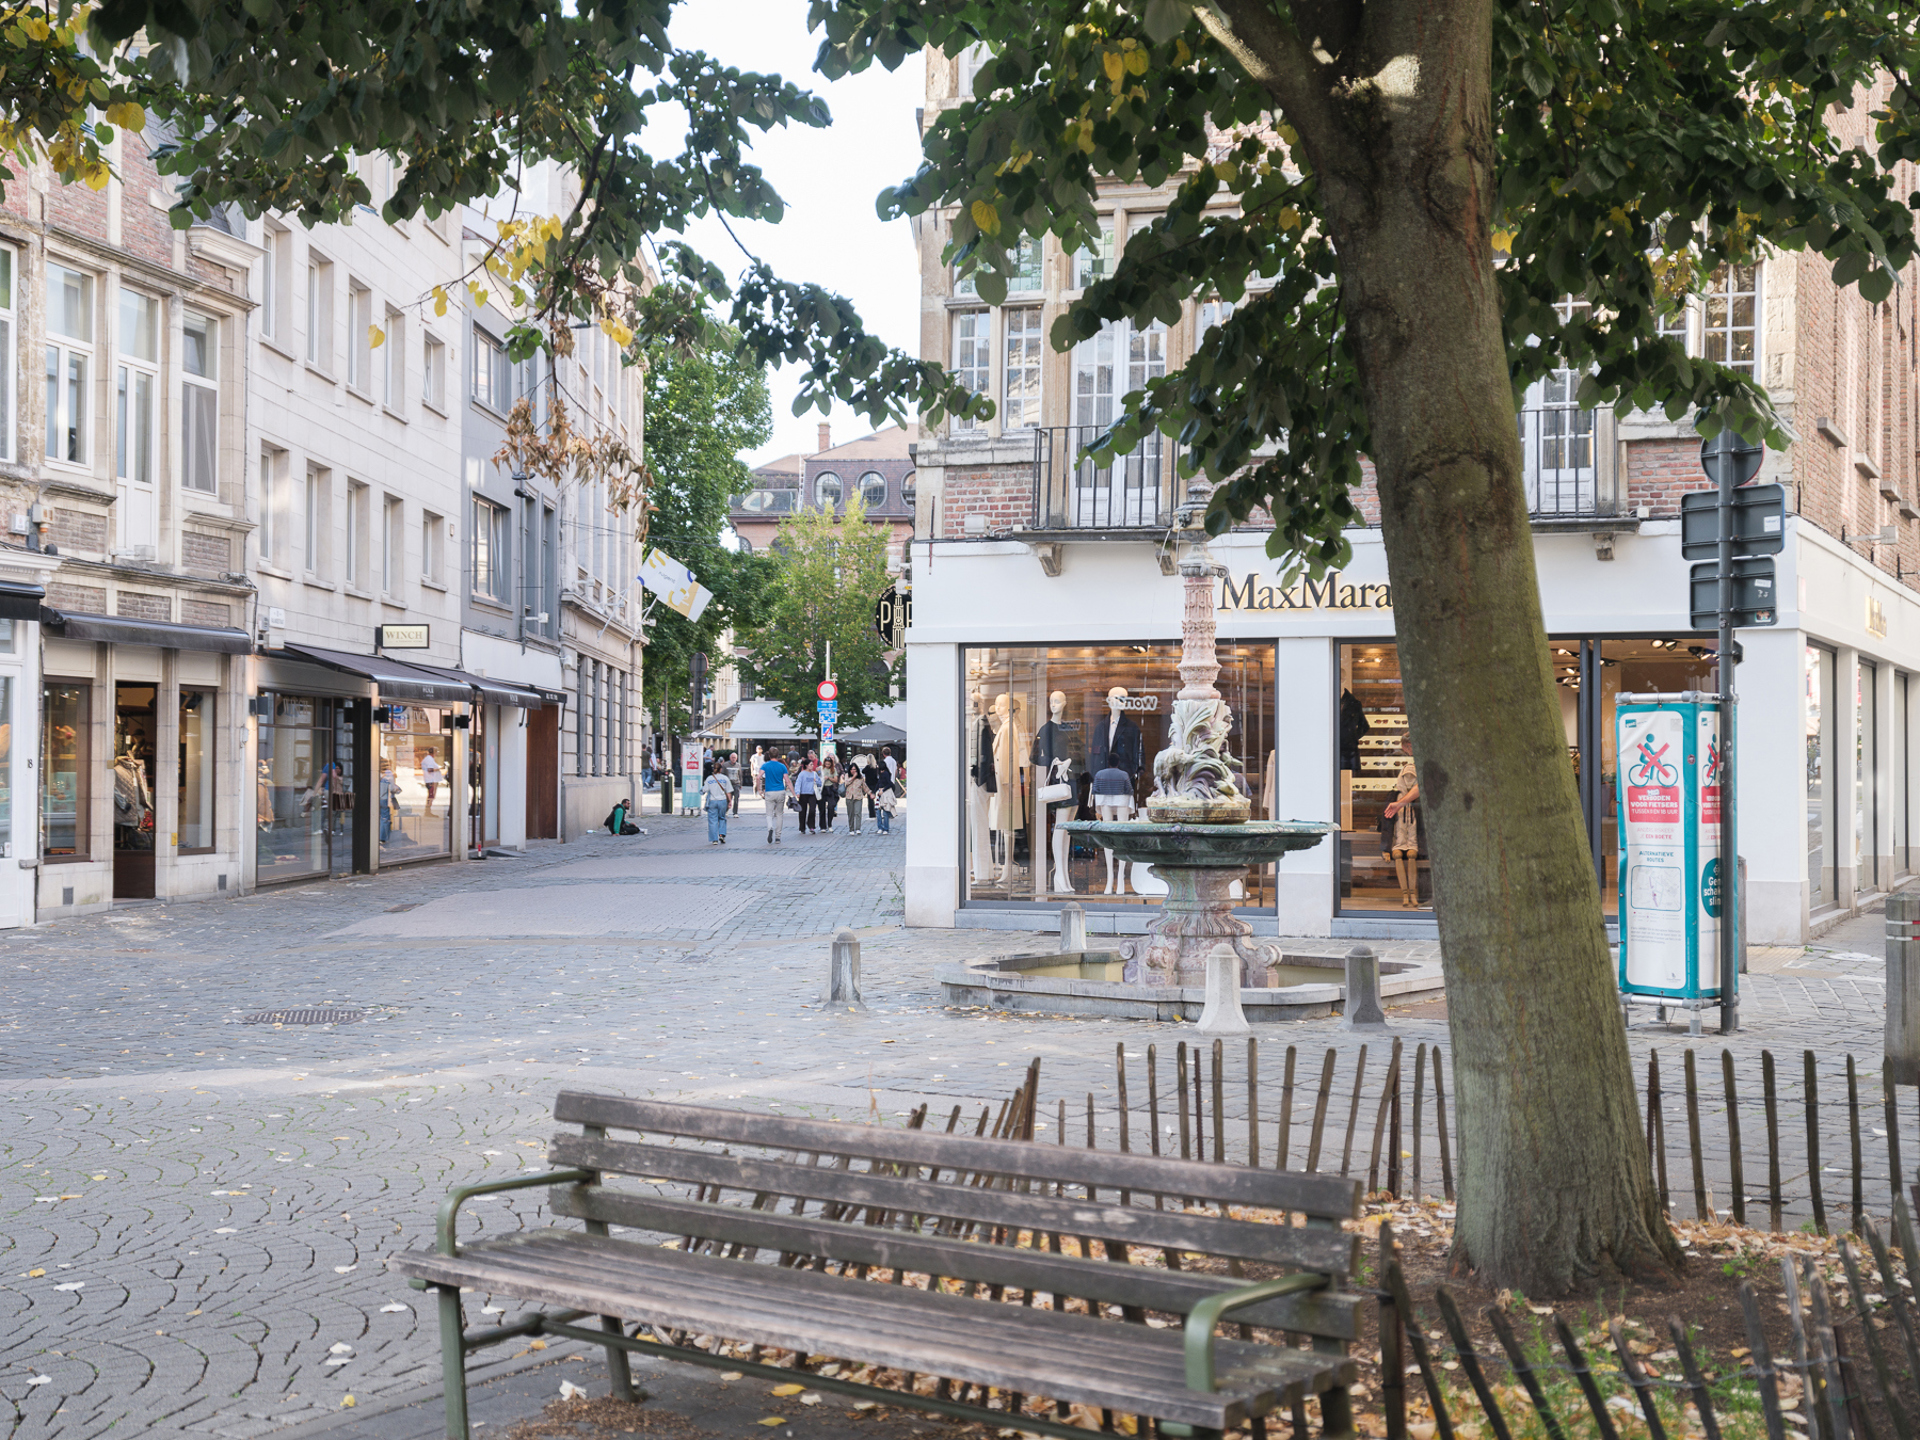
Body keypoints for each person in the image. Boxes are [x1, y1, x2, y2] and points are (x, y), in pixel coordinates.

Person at [1381, 734, 1423, 908]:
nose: (1409, 782)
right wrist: (1385, 848)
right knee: (1398, 854)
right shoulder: (1395, 799)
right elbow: (1387, 825)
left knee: (1412, 854)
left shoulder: (1415, 803)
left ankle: (1412, 894)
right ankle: (1405, 894)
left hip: (1413, 840)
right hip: (1400, 839)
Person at [761, 750, 790, 844]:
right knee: (779, 814)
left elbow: (758, 777)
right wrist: (793, 792)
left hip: (769, 791)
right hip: (780, 791)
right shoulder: (782, 766)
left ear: (769, 755)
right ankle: (778, 837)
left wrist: (759, 790)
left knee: (769, 814)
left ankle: (770, 827)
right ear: (778, 755)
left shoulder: (765, 765)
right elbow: (787, 780)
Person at [703, 762, 734, 845]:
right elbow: (728, 791)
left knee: (712, 820)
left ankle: (714, 839)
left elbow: (704, 790)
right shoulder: (725, 778)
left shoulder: (709, 779)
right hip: (723, 801)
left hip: (712, 801)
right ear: (721, 769)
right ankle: (721, 835)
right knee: (722, 818)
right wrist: (730, 801)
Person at [795, 758, 822, 834]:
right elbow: (798, 783)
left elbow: (820, 783)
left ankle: (811, 826)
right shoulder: (802, 774)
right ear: (806, 765)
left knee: (812, 810)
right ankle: (802, 827)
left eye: (812, 764)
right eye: (811, 764)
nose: (812, 766)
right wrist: (798, 792)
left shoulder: (814, 773)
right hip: (803, 794)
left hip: (812, 794)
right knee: (802, 811)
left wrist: (816, 781)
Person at [843, 766, 869, 834]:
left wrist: (870, 793)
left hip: (858, 797)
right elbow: (846, 783)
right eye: (851, 769)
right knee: (850, 814)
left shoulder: (860, 778)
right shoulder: (847, 776)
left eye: (854, 769)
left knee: (858, 813)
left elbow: (864, 786)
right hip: (849, 797)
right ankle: (851, 829)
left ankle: (858, 828)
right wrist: (853, 777)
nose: (853, 771)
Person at [819, 759, 841, 833]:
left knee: (831, 807)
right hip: (822, 789)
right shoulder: (821, 769)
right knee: (822, 808)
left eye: (828, 764)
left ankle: (829, 824)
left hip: (830, 789)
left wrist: (829, 778)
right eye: (826, 764)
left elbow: (836, 780)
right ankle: (823, 826)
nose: (827, 765)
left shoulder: (833, 770)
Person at [420, 748, 443, 816]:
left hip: (431, 779)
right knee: (431, 795)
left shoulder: (429, 759)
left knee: (431, 795)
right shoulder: (429, 759)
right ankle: (427, 811)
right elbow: (430, 769)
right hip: (431, 780)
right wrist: (439, 769)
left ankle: (428, 810)